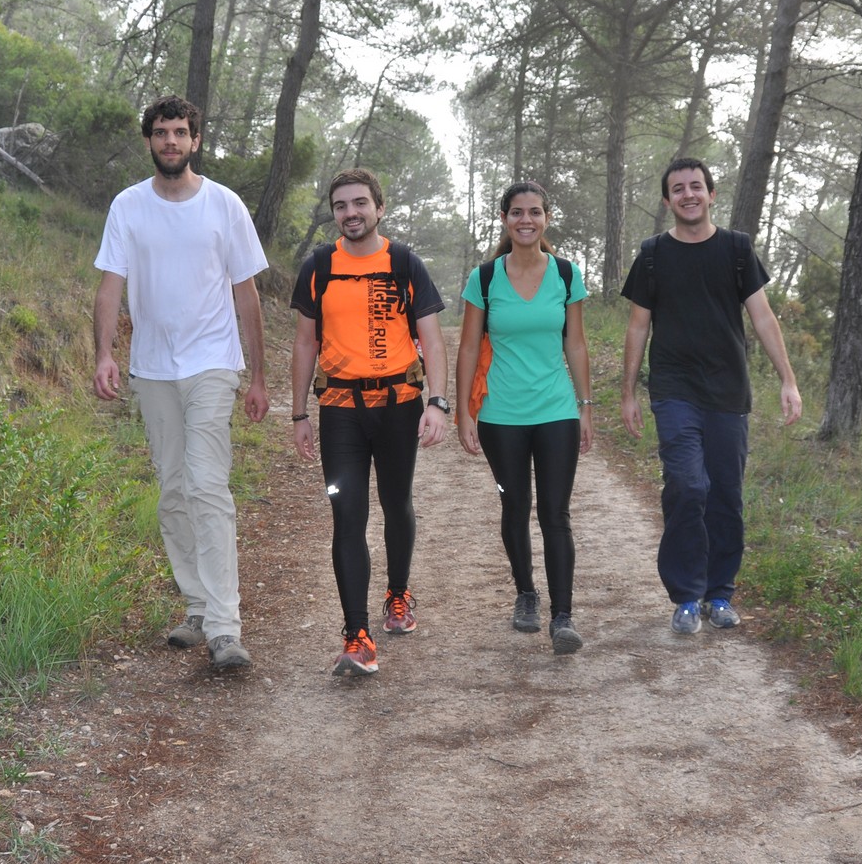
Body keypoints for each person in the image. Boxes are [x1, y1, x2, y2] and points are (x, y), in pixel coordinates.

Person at [93, 95, 268, 671]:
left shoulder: (224, 204)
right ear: (149, 140)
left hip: (213, 363)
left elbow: (247, 294)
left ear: (195, 140)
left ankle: (224, 627)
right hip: (152, 368)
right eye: (161, 132)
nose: (171, 141)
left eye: (180, 132)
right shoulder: (128, 206)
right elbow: (110, 285)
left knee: (207, 486)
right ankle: (197, 606)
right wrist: (104, 354)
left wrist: (258, 376)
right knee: (172, 490)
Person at [620, 157, 802, 635]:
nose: (689, 194)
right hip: (674, 390)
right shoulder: (653, 255)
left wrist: (788, 379)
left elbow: (763, 317)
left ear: (711, 194)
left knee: (725, 495)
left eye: (696, 186)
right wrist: (628, 392)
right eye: (678, 189)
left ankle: (719, 594)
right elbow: (638, 327)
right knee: (687, 486)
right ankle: (686, 596)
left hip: (728, 392)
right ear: (667, 201)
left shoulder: (737, 249)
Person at [289, 168, 450, 677]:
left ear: (380, 208)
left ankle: (398, 594)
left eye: (360, 203)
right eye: (341, 205)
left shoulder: (404, 263)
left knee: (396, 503)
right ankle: (356, 635)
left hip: (399, 406)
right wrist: (299, 413)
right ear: (334, 213)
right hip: (340, 411)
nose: (351, 212)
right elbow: (304, 343)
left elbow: (433, 338)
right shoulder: (319, 266)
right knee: (347, 515)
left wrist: (437, 402)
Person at [455, 182, 593, 655]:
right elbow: (468, 348)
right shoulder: (485, 278)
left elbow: (575, 343)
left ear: (547, 218)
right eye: (517, 212)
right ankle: (526, 595)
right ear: (504, 219)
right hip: (501, 414)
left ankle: (563, 616)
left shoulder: (566, 274)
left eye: (535, 212)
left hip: (556, 411)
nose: (526, 220)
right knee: (514, 506)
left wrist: (585, 406)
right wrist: (464, 412)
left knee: (556, 513)